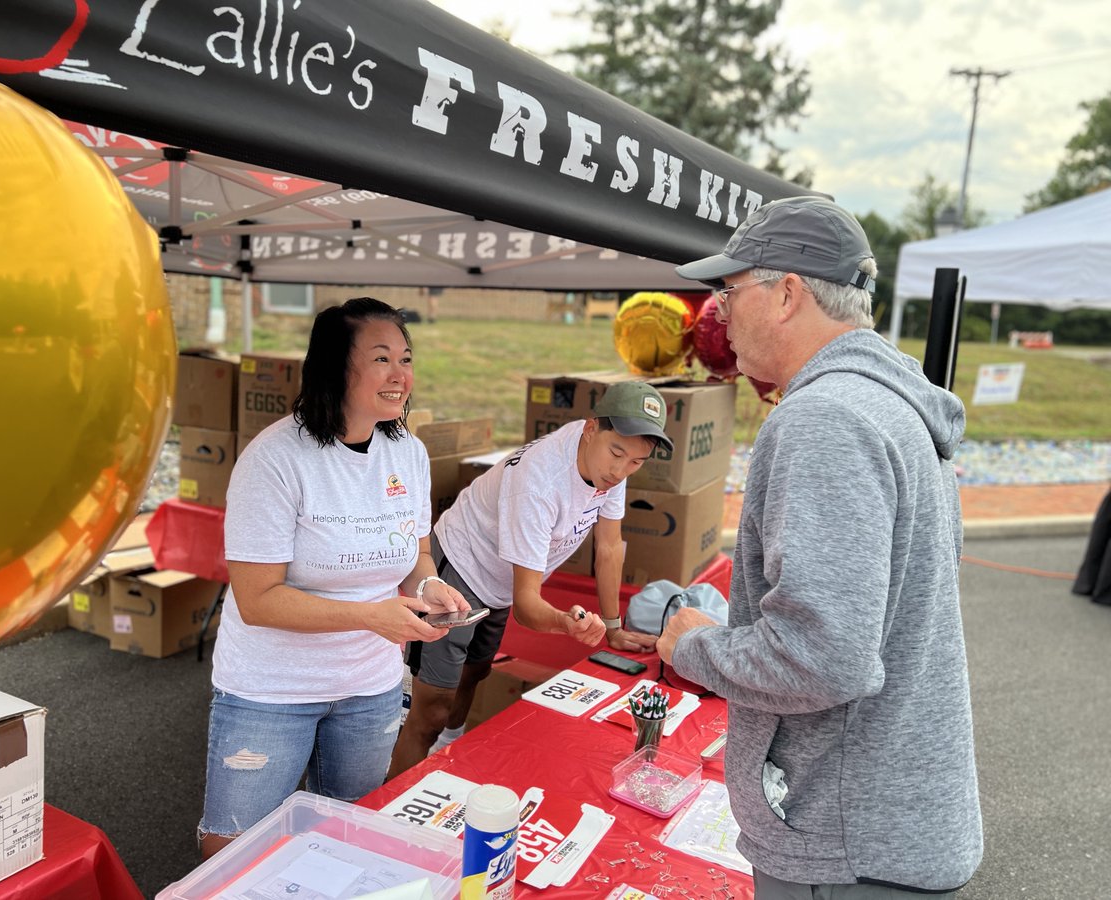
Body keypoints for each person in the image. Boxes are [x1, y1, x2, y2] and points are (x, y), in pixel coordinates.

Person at [657, 197, 983, 897]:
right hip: (885, 822)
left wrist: (691, 645)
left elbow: (821, 659)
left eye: (728, 290)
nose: (717, 313)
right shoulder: (892, 406)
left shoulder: (826, 418)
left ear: (786, 294)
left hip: (844, 842)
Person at [198, 297, 468, 860]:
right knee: (232, 847)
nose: (401, 375)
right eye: (381, 359)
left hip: (369, 687)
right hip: (270, 689)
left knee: (350, 833)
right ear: (334, 367)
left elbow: (415, 552)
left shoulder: (407, 452)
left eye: (406, 358)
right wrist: (371, 616)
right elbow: (257, 600)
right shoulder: (274, 459)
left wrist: (426, 588)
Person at [386, 382, 673, 778]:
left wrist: (612, 626)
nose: (620, 471)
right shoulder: (540, 482)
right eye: (617, 453)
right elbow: (528, 607)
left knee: (474, 674)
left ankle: (446, 763)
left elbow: (608, 547)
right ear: (591, 428)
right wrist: (566, 622)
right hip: (460, 566)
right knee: (432, 705)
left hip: (500, 581)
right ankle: (390, 803)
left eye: (636, 462)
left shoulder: (613, 461)